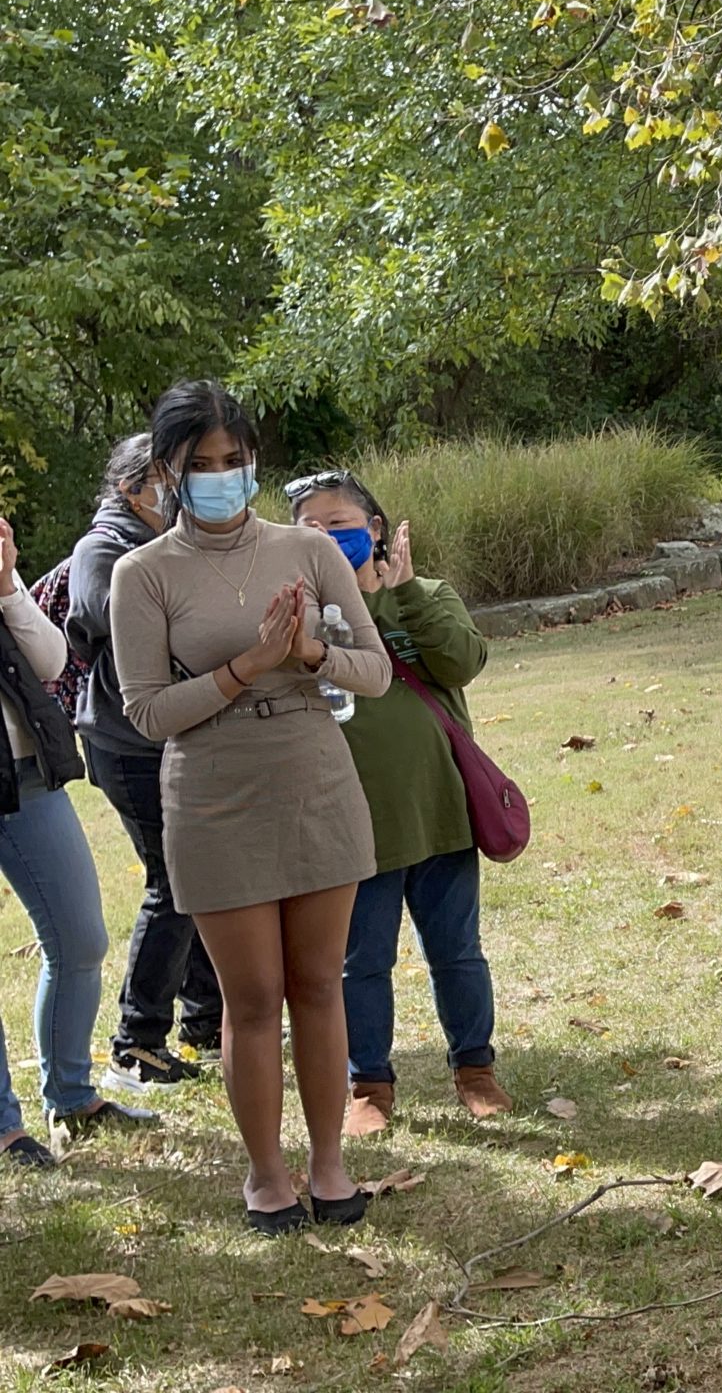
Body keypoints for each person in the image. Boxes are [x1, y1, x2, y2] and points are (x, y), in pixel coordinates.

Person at [109, 381, 393, 1232]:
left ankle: (330, 1162)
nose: (223, 477)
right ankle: (267, 1175)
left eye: (235, 461)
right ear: (167, 472)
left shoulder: (309, 552)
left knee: (318, 984)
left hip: (315, 775)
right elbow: (148, 712)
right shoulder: (141, 574)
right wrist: (244, 667)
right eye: (202, 465)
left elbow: (373, 672)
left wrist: (308, 653)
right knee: (253, 995)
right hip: (212, 793)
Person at [289, 471, 512, 1131]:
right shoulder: (297, 619)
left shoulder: (426, 597)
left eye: (341, 524)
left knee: (458, 953)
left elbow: (462, 660)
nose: (328, 537)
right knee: (361, 964)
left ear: (376, 529)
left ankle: (476, 1070)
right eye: (311, 528)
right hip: (352, 827)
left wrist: (407, 592)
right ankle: (370, 1089)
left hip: (440, 815)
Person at [67, 433, 227, 1093]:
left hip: (172, 738)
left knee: (200, 877)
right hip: (126, 745)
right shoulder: (104, 548)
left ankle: (206, 1023)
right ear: (134, 486)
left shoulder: (167, 543)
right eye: (173, 478)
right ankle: (136, 1043)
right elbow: (107, 619)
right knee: (176, 882)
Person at [2, 507, 159, 1170]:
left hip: (25, 774)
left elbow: (51, 658)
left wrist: (8, 584)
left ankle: (69, 1094)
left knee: (80, 938)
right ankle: (5, 1131)